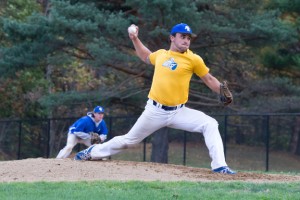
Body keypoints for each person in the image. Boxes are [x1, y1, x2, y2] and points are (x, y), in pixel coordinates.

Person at [74, 23, 236, 174]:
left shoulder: (193, 59)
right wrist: (135, 39)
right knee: (128, 141)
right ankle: (92, 152)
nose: (186, 40)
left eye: (188, 38)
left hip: (179, 112)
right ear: (172, 37)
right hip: (155, 111)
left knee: (210, 124)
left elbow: (208, 78)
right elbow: (145, 56)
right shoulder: (161, 55)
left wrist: (220, 91)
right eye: (182, 36)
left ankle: (219, 166)